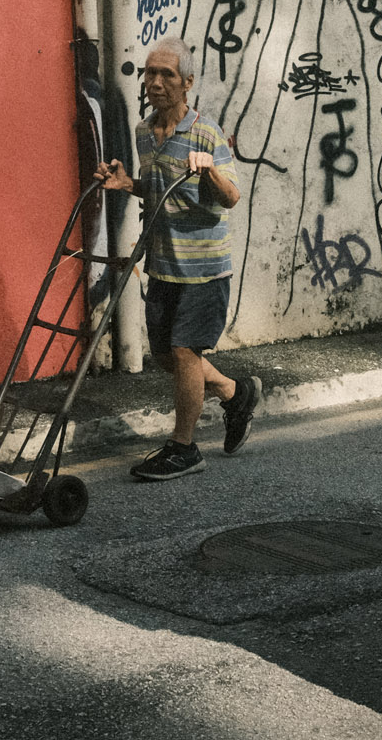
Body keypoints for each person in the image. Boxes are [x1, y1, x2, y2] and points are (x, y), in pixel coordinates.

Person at [97, 38, 261, 480]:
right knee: (168, 357)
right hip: (162, 263)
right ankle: (234, 392)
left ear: (187, 83)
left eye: (167, 74)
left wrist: (207, 169)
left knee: (185, 351)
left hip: (204, 267)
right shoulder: (143, 132)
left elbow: (231, 197)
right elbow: (158, 189)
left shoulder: (205, 131)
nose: (155, 82)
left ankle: (184, 447)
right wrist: (126, 184)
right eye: (150, 73)